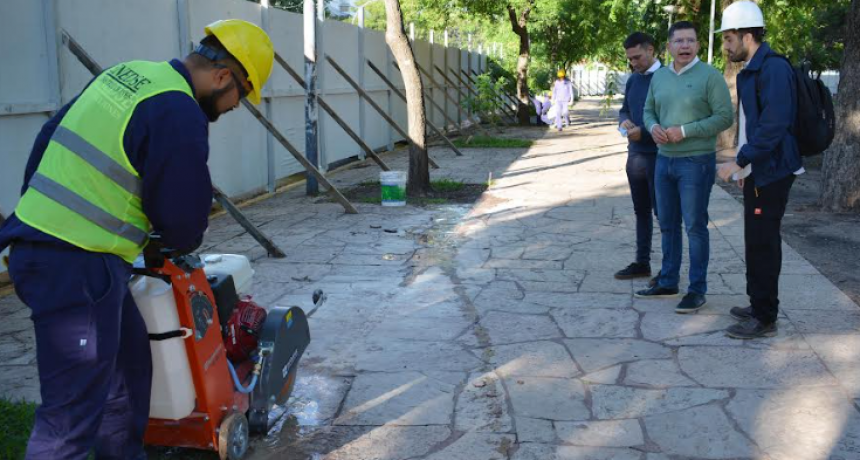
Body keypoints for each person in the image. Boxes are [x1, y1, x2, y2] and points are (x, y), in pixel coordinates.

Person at [0, 19, 274, 459]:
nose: (234, 106)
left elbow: (47, 137)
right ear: (224, 76)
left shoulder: (129, 75)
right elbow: (182, 219)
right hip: (76, 267)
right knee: (68, 420)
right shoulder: (179, 109)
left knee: (126, 378)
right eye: (240, 95)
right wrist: (174, 238)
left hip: (53, 252)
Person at [715, 1, 804, 339]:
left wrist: (739, 161)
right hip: (759, 169)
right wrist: (745, 169)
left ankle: (765, 316)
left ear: (747, 35)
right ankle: (758, 303)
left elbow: (773, 125)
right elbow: (751, 126)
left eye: (728, 39)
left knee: (764, 242)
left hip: (775, 170)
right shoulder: (754, 67)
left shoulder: (773, 68)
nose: (726, 46)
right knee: (755, 240)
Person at [637, 21, 733, 313]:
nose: (685, 46)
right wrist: (653, 127)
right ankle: (668, 279)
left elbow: (724, 117)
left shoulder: (710, 76)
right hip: (663, 159)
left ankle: (697, 289)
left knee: (694, 226)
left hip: (696, 162)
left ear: (698, 45)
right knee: (667, 224)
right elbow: (649, 110)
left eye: (690, 41)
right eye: (679, 41)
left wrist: (686, 131)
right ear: (668, 47)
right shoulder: (661, 77)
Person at [615, 32, 662, 283]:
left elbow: (669, 121)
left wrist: (641, 133)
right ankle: (642, 262)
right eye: (630, 59)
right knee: (640, 211)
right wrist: (624, 124)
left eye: (637, 57)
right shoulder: (634, 80)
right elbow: (624, 110)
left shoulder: (666, 78)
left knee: (663, 213)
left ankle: (668, 268)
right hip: (635, 158)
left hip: (659, 157)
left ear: (651, 50)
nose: (634, 63)